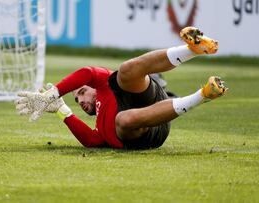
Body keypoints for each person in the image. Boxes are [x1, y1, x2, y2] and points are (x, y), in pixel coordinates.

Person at [16, 27, 228, 150]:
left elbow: (87, 72)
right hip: (148, 132)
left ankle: (194, 48)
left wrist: (51, 94)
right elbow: (90, 140)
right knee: (123, 119)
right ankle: (204, 95)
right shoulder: (101, 128)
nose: (80, 102)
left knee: (125, 70)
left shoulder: (102, 84)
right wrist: (63, 112)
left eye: (81, 93)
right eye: (76, 100)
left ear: (92, 88)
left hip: (148, 96)